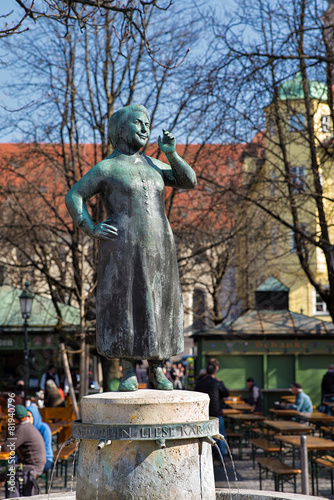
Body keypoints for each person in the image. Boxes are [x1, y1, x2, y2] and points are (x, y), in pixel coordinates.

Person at [65, 104, 197, 391]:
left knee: (159, 301)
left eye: (147, 123)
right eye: (138, 123)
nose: (145, 128)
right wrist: (89, 226)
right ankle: (127, 368)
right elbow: (74, 194)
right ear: (121, 129)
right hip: (122, 245)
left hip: (160, 244)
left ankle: (157, 368)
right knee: (123, 302)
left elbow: (189, 181)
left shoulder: (154, 165)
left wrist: (171, 153)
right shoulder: (107, 167)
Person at [195, 362, 229, 458]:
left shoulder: (200, 383)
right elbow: (226, 393)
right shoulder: (217, 382)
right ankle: (221, 457)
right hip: (217, 413)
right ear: (215, 371)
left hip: (204, 414)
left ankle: (208, 456)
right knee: (220, 435)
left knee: (205, 435)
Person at [2, 405, 46, 477]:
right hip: (35, 464)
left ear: (16, 419)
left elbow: (6, 448)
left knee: (2, 469)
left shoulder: (23, 429)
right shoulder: (28, 426)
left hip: (32, 467)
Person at [26, 405, 53, 472]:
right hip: (30, 458)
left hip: (46, 459)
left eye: (29, 416)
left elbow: (47, 448)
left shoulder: (44, 428)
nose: (27, 419)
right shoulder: (26, 428)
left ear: (35, 416)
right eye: (25, 417)